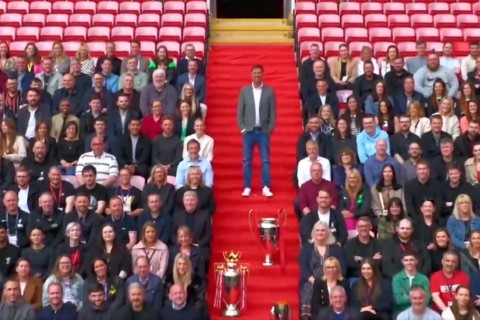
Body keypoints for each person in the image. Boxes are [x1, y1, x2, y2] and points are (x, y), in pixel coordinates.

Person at [237, 64, 276, 197]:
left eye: (259, 73)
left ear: (263, 74)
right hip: (248, 131)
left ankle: (266, 186)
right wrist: (242, 128)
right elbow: (239, 112)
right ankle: (247, 186)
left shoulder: (269, 91)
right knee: (247, 160)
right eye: (254, 73)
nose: (257, 75)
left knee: (265, 160)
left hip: (263, 131)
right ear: (251, 74)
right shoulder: (244, 91)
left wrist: (270, 129)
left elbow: (273, 113)